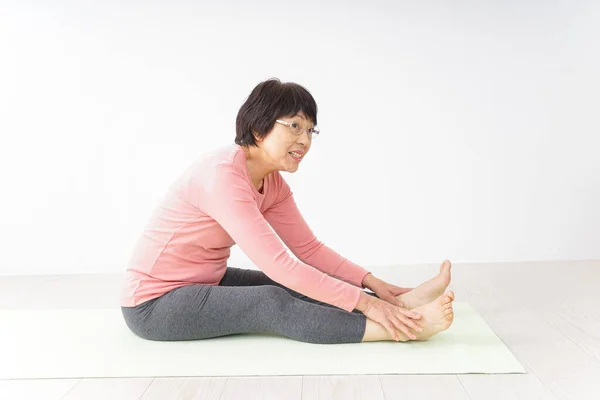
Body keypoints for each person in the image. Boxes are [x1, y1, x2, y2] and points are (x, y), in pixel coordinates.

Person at [120, 78, 455, 344]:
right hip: (154, 304)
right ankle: (400, 329)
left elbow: (309, 249)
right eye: (294, 126)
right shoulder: (223, 175)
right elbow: (281, 265)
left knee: (296, 288)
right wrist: (367, 304)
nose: (305, 140)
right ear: (259, 127)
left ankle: (402, 307)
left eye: (310, 130)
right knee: (271, 301)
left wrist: (375, 285)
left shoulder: (272, 183)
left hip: (207, 281)